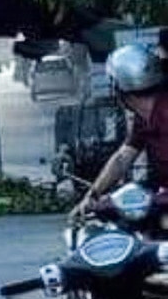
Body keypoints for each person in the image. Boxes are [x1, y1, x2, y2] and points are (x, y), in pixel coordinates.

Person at [72, 42, 168, 220]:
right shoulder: (143, 117)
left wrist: (117, 202)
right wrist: (93, 195)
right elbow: (123, 157)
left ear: (121, 88)